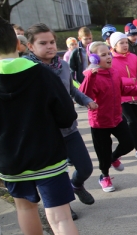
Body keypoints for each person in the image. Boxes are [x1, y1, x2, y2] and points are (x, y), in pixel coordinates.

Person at [0, 17, 91, 235]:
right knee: (61, 218)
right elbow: (66, 114)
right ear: (18, 44)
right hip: (48, 155)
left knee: (24, 206)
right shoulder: (42, 75)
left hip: (10, 160)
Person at [23, 23, 98, 220]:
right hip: (46, 133)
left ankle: (77, 185)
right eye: (43, 43)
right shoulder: (27, 70)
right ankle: (66, 206)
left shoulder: (62, 65)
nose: (50, 46)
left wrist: (87, 100)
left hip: (68, 128)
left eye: (52, 42)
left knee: (85, 168)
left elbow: (72, 90)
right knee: (57, 173)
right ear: (30, 46)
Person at [79, 42, 137, 192]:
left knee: (128, 144)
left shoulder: (114, 72)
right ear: (93, 58)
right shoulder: (90, 76)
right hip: (100, 122)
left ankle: (113, 158)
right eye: (103, 54)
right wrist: (90, 76)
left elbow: (122, 89)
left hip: (116, 118)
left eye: (109, 54)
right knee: (103, 153)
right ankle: (104, 176)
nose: (108, 57)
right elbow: (85, 95)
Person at [109, 32, 137, 160]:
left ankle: (117, 152)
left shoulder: (133, 57)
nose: (125, 45)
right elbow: (114, 79)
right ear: (114, 46)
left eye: (125, 42)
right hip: (121, 96)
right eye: (121, 43)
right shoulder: (111, 59)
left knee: (132, 122)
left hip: (135, 95)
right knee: (132, 121)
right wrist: (132, 81)